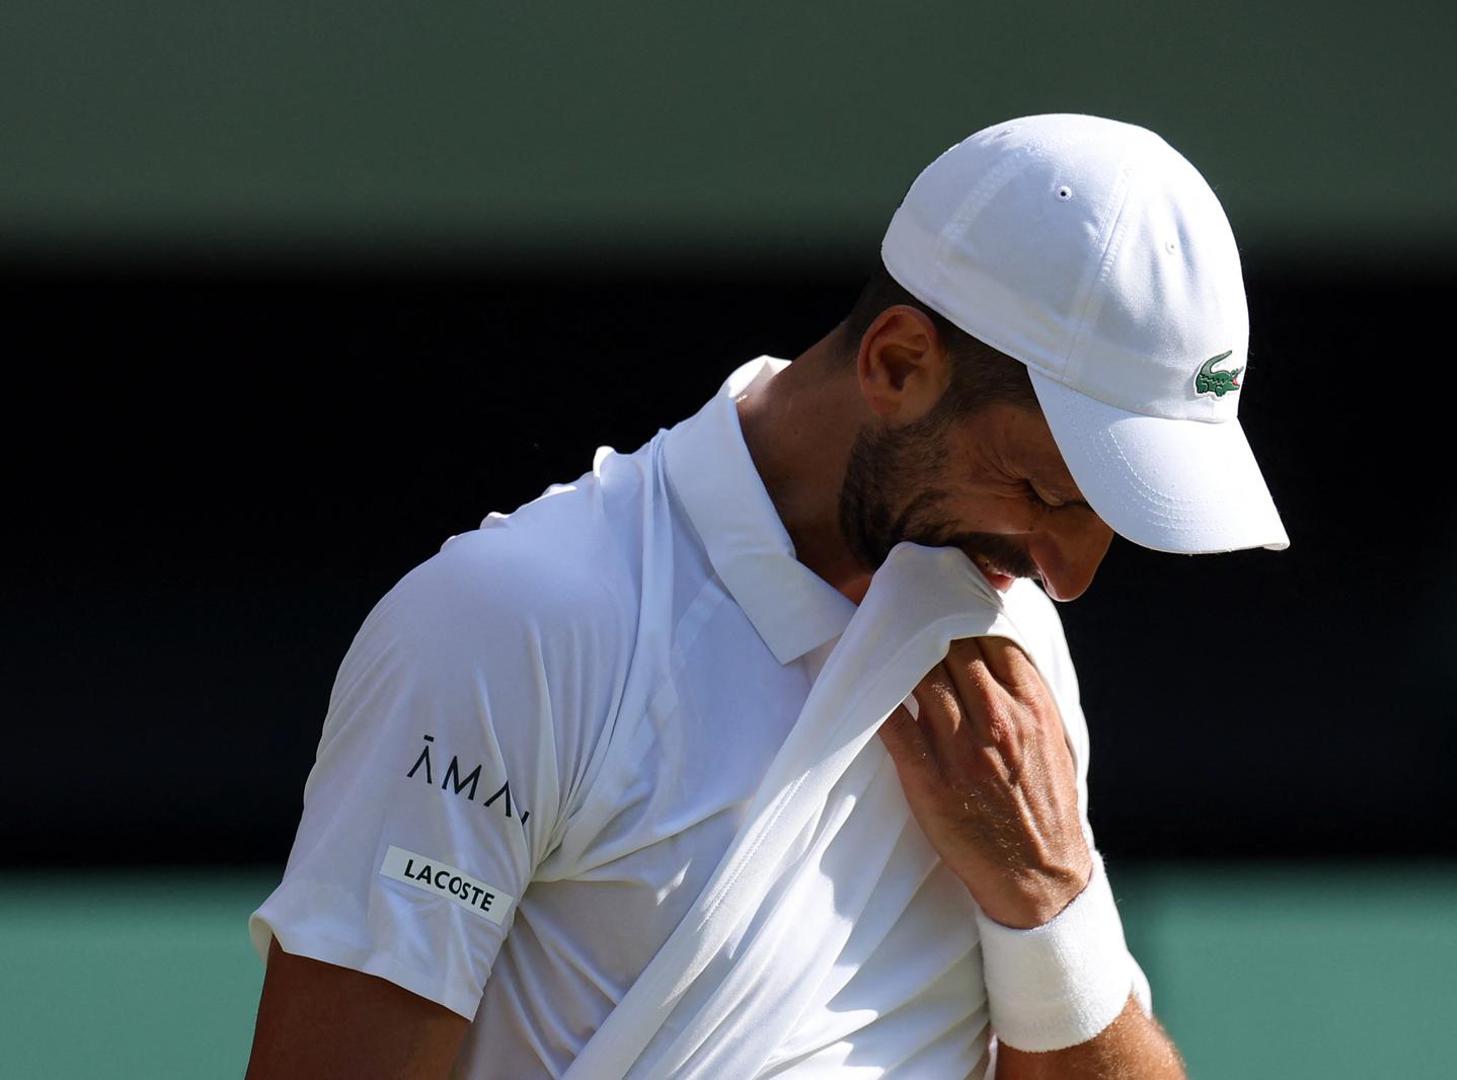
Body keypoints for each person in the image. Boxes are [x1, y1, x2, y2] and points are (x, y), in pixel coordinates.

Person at [245, 114, 1288, 1079]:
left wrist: (1051, 901)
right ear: (898, 364)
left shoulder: (1014, 636)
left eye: (1110, 518)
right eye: (1045, 493)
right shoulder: (504, 627)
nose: (1067, 576)